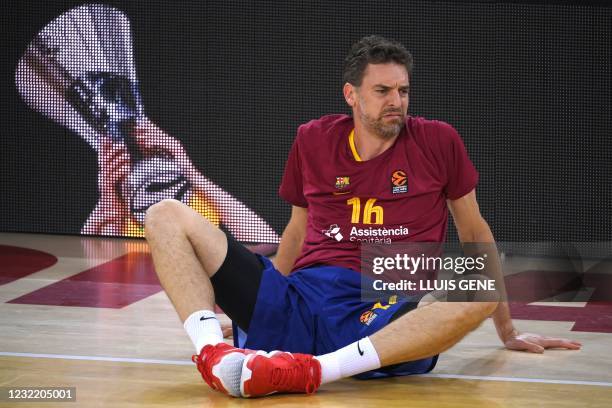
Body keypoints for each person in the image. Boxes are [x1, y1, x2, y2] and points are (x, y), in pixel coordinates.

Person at [144, 35, 581, 398]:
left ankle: (315, 371)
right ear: (351, 94)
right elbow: (296, 232)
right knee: (165, 214)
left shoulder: (438, 141)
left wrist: (506, 330)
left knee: (478, 285)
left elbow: (474, 231)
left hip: (384, 307)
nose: (397, 101)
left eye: (403, 91)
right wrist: (255, 309)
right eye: (383, 91)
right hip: (303, 295)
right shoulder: (313, 139)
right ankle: (213, 356)